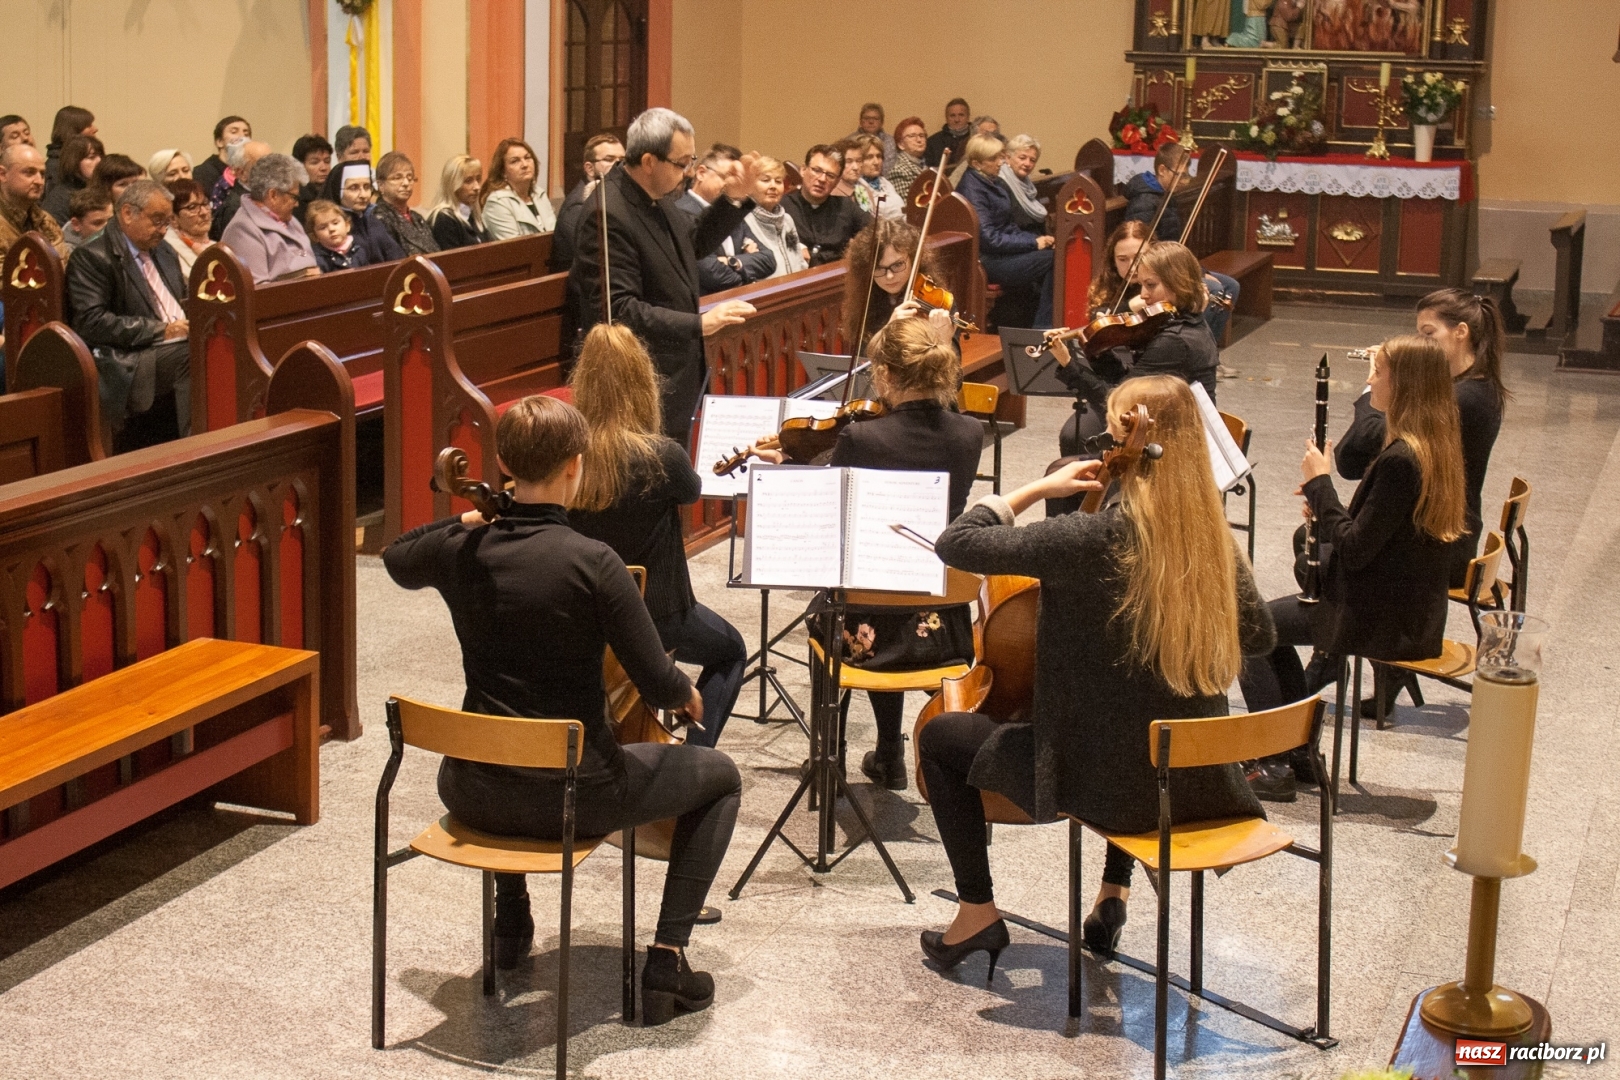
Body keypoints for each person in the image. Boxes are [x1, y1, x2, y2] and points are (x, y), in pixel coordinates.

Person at [382, 394, 739, 1022]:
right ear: (576, 465)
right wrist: (685, 695)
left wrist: (474, 516)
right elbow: (658, 683)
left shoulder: (464, 551)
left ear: (504, 464)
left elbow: (396, 556)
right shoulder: (593, 563)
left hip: (471, 788)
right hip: (576, 798)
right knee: (722, 779)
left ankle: (511, 922)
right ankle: (667, 959)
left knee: (510, 733)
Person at [921, 374, 1275, 969]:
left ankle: (976, 912)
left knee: (940, 737)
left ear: (1128, 443)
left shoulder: (1092, 537)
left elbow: (957, 542)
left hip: (1105, 785)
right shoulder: (1213, 542)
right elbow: (1260, 636)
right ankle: (1114, 891)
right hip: (1196, 781)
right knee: (1140, 708)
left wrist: (1040, 487)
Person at [1239, 334, 1467, 801]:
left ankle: (1273, 762)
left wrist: (1322, 485)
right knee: (1268, 626)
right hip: (1402, 603)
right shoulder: (1431, 445)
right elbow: (1376, 535)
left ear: (1403, 385)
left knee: (1248, 629)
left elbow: (1357, 549)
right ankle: (1296, 751)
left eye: (1377, 372)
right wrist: (1324, 507)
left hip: (1380, 617)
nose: (1369, 381)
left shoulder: (1402, 459)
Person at [805, 314, 982, 788]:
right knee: (889, 606)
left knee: (826, 610)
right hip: (941, 618)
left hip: (869, 622)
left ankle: (830, 758)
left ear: (884, 373)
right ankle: (888, 754)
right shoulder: (970, 433)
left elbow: (832, 508)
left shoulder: (862, 437)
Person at [568, 324, 748, 749]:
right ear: (642, 384)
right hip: (659, 618)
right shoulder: (662, 456)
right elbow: (692, 490)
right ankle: (696, 760)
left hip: (588, 617)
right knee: (731, 652)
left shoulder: (571, 458)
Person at [570, 107, 758, 446]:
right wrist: (699, 324)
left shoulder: (657, 196)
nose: (688, 172)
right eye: (681, 163)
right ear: (648, 161)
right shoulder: (607, 212)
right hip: (638, 383)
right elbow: (618, 309)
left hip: (672, 375)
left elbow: (692, 241)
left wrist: (733, 198)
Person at [1337, 289, 1507, 589]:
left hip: (1440, 541)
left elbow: (1372, 435)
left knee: (1324, 552)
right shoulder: (1467, 385)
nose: (1422, 342)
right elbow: (1352, 457)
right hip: (1439, 528)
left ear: (1461, 332)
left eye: (1429, 334)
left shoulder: (1462, 399)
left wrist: (1376, 387)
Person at [1055, 239, 1219, 454]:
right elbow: (1127, 383)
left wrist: (1069, 364)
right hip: (1163, 428)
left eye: (1150, 285)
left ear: (1178, 283)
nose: (1142, 295)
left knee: (1062, 465)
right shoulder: (1192, 322)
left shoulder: (1174, 341)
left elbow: (1119, 405)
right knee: (1073, 439)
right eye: (1141, 284)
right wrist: (1097, 349)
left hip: (1174, 447)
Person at [65, 179, 191, 450]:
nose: (163, 230)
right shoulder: (92, 256)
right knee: (191, 353)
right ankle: (194, 450)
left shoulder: (163, 250)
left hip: (173, 343)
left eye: (168, 222)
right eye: (157, 220)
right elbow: (91, 322)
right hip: (128, 357)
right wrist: (160, 330)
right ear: (127, 213)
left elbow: (183, 300)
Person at [955, 134, 1054, 329]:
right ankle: (1043, 330)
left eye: (1000, 157)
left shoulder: (992, 182)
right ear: (976, 163)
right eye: (993, 159)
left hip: (1002, 255)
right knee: (1053, 260)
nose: (1000, 162)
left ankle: (1038, 324)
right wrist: (1033, 243)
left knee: (1053, 253)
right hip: (987, 261)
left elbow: (1009, 227)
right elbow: (989, 239)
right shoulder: (972, 189)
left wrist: (1039, 240)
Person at [674, 146, 774, 292]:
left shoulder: (731, 209)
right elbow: (711, 274)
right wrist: (746, 277)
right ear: (701, 173)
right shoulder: (680, 211)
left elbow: (768, 259)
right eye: (727, 176)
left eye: (737, 178)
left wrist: (732, 262)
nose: (731, 184)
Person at [840, 217, 950, 348]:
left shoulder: (937, 300)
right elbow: (865, 357)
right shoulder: (865, 302)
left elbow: (952, 360)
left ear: (914, 259)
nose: (890, 276)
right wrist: (888, 331)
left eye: (897, 265)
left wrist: (944, 341)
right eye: (879, 268)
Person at [218, 153, 319, 284]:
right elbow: (257, 290)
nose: (297, 204)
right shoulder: (242, 230)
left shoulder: (290, 220)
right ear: (273, 195)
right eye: (294, 197)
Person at [782, 144, 870, 267]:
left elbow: (876, 230)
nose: (822, 179)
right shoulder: (782, 207)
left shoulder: (845, 206)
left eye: (830, 175)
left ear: (837, 181)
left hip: (837, 274)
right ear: (803, 170)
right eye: (817, 170)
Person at [549, 134, 624, 272]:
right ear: (589, 168)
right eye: (609, 159)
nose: (618, 165)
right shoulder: (578, 206)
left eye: (622, 160)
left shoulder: (614, 196)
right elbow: (595, 256)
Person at [0, 143, 70, 281]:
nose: (39, 181)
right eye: (29, 172)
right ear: (2, 174)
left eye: (42, 174)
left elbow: (64, 267)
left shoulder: (46, 221)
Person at [742, 156, 808, 279]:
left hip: (796, 285)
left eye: (778, 181)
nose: (773, 186)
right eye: (765, 180)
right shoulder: (743, 221)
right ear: (750, 185)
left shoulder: (787, 220)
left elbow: (799, 260)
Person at [481, 138, 556, 240]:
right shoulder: (497, 202)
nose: (525, 165)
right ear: (503, 171)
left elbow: (556, 234)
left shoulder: (540, 194)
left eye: (527, 158)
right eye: (515, 161)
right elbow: (514, 247)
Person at [370, 151, 439, 257]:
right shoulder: (379, 218)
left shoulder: (417, 218)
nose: (406, 183)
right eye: (397, 178)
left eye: (410, 178)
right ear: (381, 185)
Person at [332, 161, 404, 264]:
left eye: (367, 187)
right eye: (354, 188)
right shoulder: (333, 226)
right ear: (337, 191)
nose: (363, 195)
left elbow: (398, 257)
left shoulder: (373, 221)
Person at [210, 140, 271, 241]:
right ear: (241, 173)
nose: (274, 171)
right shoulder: (235, 208)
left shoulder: (271, 198)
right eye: (264, 166)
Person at [427, 154, 487, 250]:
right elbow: (452, 258)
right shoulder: (444, 219)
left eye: (478, 179)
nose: (477, 187)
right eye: (468, 181)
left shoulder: (473, 216)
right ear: (453, 185)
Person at [40, 134, 103, 224]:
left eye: (101, 156)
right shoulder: (60, 199)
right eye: (91, 157)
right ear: (74, 162)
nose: (99, 161)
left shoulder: (99, 189)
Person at [193, 115, 251, 208]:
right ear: (219, 142)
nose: (242, 136)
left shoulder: (250, 173)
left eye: (246, 134)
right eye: (234, 132)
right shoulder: (202, 173)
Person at [163, 178, 212, 276]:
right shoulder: (168, 253)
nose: (204, 212)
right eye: (192, 207)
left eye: (205, 203)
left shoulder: (217, 246)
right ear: (173, 219)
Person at [305, 198, 370, 272]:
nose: (331, 229)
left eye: (335, 223)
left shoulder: (359, 250)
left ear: (347, 226)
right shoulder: (317, 260)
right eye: (323, 227)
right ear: (315, 236)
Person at [849, 134, 902, 221]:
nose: (876, 162)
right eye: (869, 157)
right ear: (858, 161)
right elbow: (867, 220)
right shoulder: (858, 189)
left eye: (879, 156)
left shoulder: (885, 183)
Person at [1000, 134, 1048, 231]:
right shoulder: (1000, 184)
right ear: (1008, 158)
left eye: (1032, 160)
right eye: (1022, 158)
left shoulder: (1028, 186)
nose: (1027, 164)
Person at [43, 106, 96, 192]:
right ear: (73, 131)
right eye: (88, 125)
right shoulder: (55, 167)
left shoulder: (78, 161)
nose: (95, 129)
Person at [292, 133, 334, 223]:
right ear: (300, 166)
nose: (324, 168)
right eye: (315, 162)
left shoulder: (334, 194)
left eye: (327, 161)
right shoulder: (294, 200)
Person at [886, 116, 928, 196]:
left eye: (921, 135)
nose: (919, 140)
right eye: (912, 136)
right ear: (901, 144)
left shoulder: (923, 165)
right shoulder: (899, 170)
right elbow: (907, 202)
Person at [847, 103, 896, 171]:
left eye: (875, 118)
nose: (871, 121)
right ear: (860, 121)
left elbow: (890, 168)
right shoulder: (850, 141)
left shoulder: (890, 142)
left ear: (882, 122)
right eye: (867, 118)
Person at [925, 99, 973, 169]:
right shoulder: (932, 142)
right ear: (946, 118)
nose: (957, 120)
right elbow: (929, 170)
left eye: (961, 115)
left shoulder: (976, 139)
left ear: (968, 117)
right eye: (952, 116)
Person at [62, 187, 112, 252]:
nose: (108, 229)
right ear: (76, 224)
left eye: (111, 220)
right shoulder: (67, 253)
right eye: (98, 223)